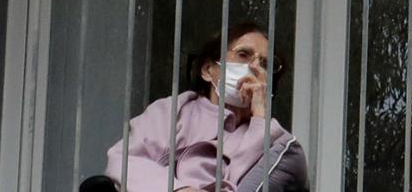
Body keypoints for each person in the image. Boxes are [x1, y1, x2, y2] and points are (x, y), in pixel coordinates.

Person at [101, 22, 308, 192]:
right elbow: (124, 161)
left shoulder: (277, 141)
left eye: (265, 63)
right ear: (208, 70)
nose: (255, 67)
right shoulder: (174, 111)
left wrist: (260, 119)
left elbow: (244, 184)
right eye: (243, 54)